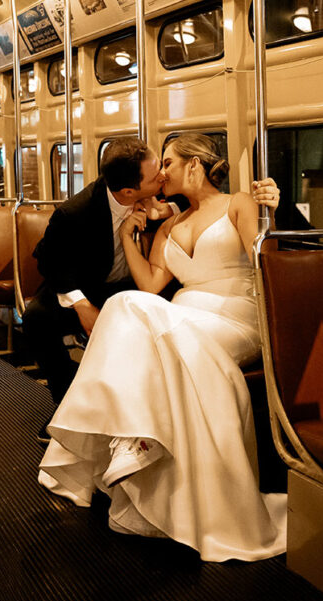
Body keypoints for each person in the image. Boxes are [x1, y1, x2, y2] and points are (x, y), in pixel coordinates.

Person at [38, 134, 286, 562]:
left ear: (194, 165)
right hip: (184, 314)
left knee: (130, 312)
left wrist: (273, 216)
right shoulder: (167, 225)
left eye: (168, 163)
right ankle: (136, 441)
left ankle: (131, 436)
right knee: (128, 305)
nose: (163, 173)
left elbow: (266, 261)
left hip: (235, 317)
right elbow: (151, 284)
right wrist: (131, 239)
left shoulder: (240, 203)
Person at [22, 137, 173, 418]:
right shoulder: (75, 213)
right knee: (36, 320)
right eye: (155, 176)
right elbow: (48, 259)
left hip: (136, 285)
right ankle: (69, 403)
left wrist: (167, 210)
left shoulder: (162, 190)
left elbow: (194, 204)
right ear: (128, 191)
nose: (164, 176)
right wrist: (81, 305)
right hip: (89, 286)